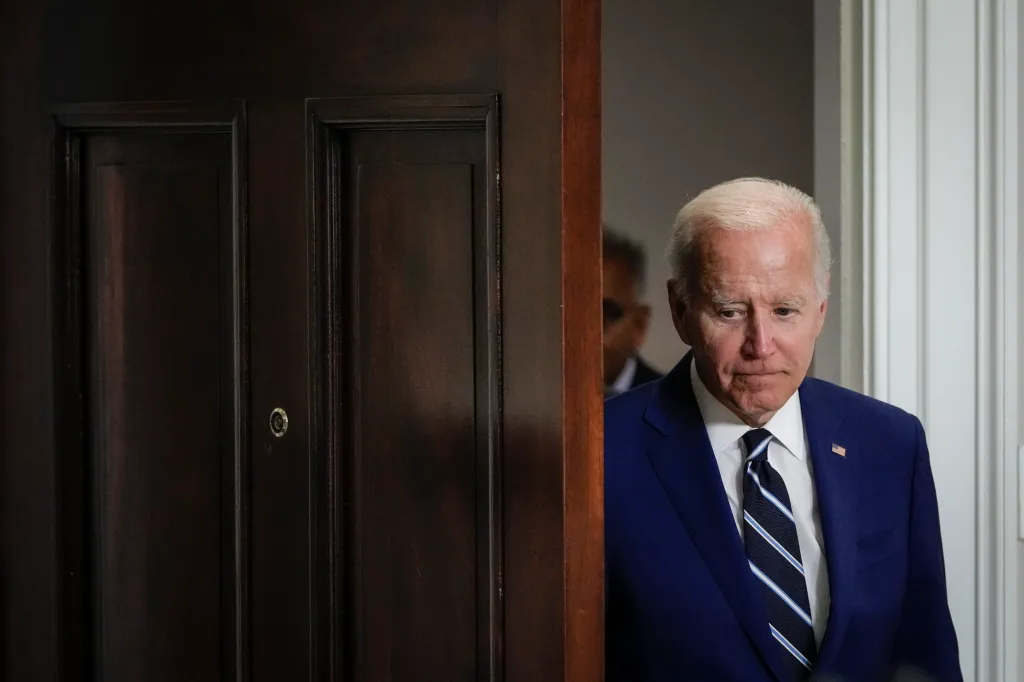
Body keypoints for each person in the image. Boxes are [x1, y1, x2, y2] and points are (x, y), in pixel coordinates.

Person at [604, 178, 961, 681]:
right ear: (681, 312)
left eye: (785, 311)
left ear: (821, 308)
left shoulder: (889, 443)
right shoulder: (600, 450)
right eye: (730, 312)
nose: (761, 345)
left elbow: (926, 657)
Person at [603, 226, 663, 397]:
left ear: (639, 324)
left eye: (606, 313)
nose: (583, 332)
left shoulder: (679, 410)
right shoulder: (530, 404)